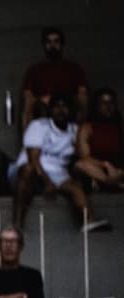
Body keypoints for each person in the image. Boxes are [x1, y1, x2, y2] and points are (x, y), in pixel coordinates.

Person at [11, 93, 109, 232]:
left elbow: (82, 156)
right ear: (50, 110)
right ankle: (17, 225)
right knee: (28, 170)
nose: (61, 110)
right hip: (32, 170)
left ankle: (89, 221)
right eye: (57, 106)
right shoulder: (39, 125)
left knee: (75, 188)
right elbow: (33, 159)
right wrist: (47, 182)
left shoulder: (74, 130)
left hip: (58, 174)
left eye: (65, 106)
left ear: (71, 110)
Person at [21, 27, 88, 130]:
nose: (52, 45)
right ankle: (30, 140)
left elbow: (82, 94)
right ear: (44, 45)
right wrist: (40, 100)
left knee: (76, 102)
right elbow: (28, 98)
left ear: (62, 44)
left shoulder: (74, 68)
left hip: (67, 107)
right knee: (35, 106)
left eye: (56, 41)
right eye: (49, 42)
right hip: (44, 109)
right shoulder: (34, 70)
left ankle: (79, 136)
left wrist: (63, 100)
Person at [74, 87, 124, 190]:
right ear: (96, 106)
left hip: (118, 170)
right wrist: (106, 165)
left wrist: (118, 170)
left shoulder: (120, 126)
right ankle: (112, 183)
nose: (108, 106)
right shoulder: (87, 128)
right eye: (104, 103)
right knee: (79, 165)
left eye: (111, 103)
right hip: (97, 168)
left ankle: (107, 183)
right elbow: (85, 157)